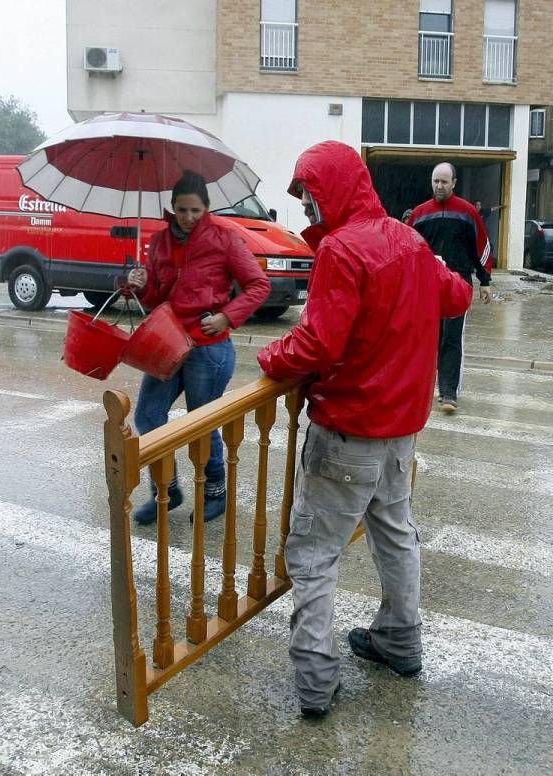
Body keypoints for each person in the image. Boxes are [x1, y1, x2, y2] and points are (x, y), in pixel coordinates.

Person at [257, 141, 472, 719]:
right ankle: (401, 642)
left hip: (348, 432)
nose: (305, 208)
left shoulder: (343, 251)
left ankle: (315, 683)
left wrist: (272, 358)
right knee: (395, 533)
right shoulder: (410, 240)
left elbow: (319, 342)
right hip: (400, 436)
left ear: (332, 189)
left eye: (308, 194)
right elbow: (457, 296)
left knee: (313, 556)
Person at [128, 170, 270, 524]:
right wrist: (138, 284)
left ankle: (215, 494)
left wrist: (226, 317)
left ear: (206, 208)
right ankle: (166, 490)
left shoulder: (224, 238)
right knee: (148, 415)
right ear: (172, 208)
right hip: (168, 342)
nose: (188, 218)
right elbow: (155, 299)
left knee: (201, 423)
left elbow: (258, 285)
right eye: (181, 210)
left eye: (195, 210)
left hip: (209, 347)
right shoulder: (160, 241)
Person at [408, 163, 492, 414]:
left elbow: (482, 246)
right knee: (427, 338)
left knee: (452, 339)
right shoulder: (420, 215)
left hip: (459, 285)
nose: (439, 186)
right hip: (428, 286)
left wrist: (485, 281)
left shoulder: (467, 213)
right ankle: (420, 389)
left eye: (444, 182)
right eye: (436, 181)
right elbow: (408, 249)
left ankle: (448, 393)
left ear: (454, 182)